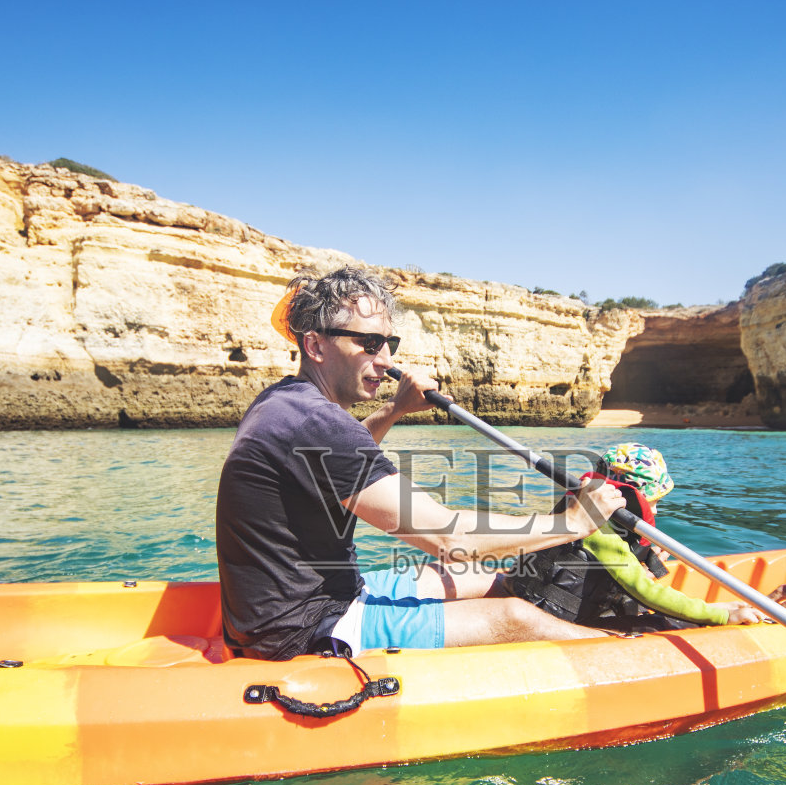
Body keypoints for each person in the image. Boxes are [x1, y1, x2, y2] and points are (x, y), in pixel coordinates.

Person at [215, 266, 628, 660]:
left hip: (310, 600)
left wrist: (394, 409)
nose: (387, 362)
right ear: (315, 345)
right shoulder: (315, 421)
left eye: (389, 345)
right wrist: (572, 523)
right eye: (370, 344)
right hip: (302, 628)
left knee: (479, 578)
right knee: (515, 618)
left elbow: (332, 467)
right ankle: (627, 650)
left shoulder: (284, 402)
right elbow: (446, 538)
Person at [508, 442, 786, 628]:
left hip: (554, 607)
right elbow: (647, 593)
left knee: (641, 606)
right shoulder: (599, 529)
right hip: (556, 621)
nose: (656, 512)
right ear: (629, 497)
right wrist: (720, 617)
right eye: (654, 503)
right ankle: (739, 617)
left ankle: (747, 611)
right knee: (660, 621)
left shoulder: (579, 509)